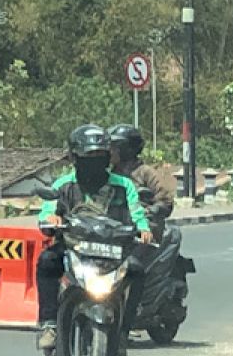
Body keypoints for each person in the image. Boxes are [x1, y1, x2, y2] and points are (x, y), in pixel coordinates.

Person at [35, 124, 153, 354]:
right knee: (47, 261)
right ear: (74, 157)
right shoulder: (63, 185)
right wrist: (51, 219)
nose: (94, 162)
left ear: (108, 156)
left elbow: (137, 213)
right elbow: (47, 211)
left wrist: (143, 229)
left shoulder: (124, 186)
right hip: (73, 249)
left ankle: (123, 332)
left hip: (112, 252)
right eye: (88, 156)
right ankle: (49, 323)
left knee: (138, 270)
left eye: (99, 156)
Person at [107, 123, 175, 238]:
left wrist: (149, 211)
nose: (110, 151)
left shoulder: (146, 173)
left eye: (114, 148)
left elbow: (166, 201)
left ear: (126, 149)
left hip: (140, 230)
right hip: (114, 227)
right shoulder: (109, 174)